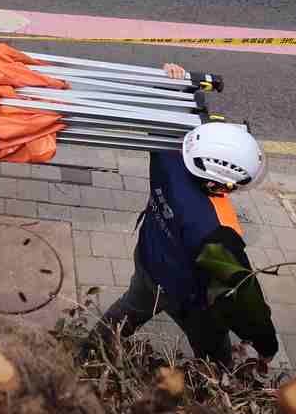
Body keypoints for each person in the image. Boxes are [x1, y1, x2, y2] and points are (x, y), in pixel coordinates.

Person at [84, 72, 279, 368]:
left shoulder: (171, 151)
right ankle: (213, 379)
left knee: (129, 309)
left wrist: (178, 82)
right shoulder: (216, 231)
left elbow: (168, 108)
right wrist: (266, 342)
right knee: (214, 352)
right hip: (188, 296)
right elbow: (241, 295)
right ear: (215, 184)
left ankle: (88, 352)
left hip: (150, 260)